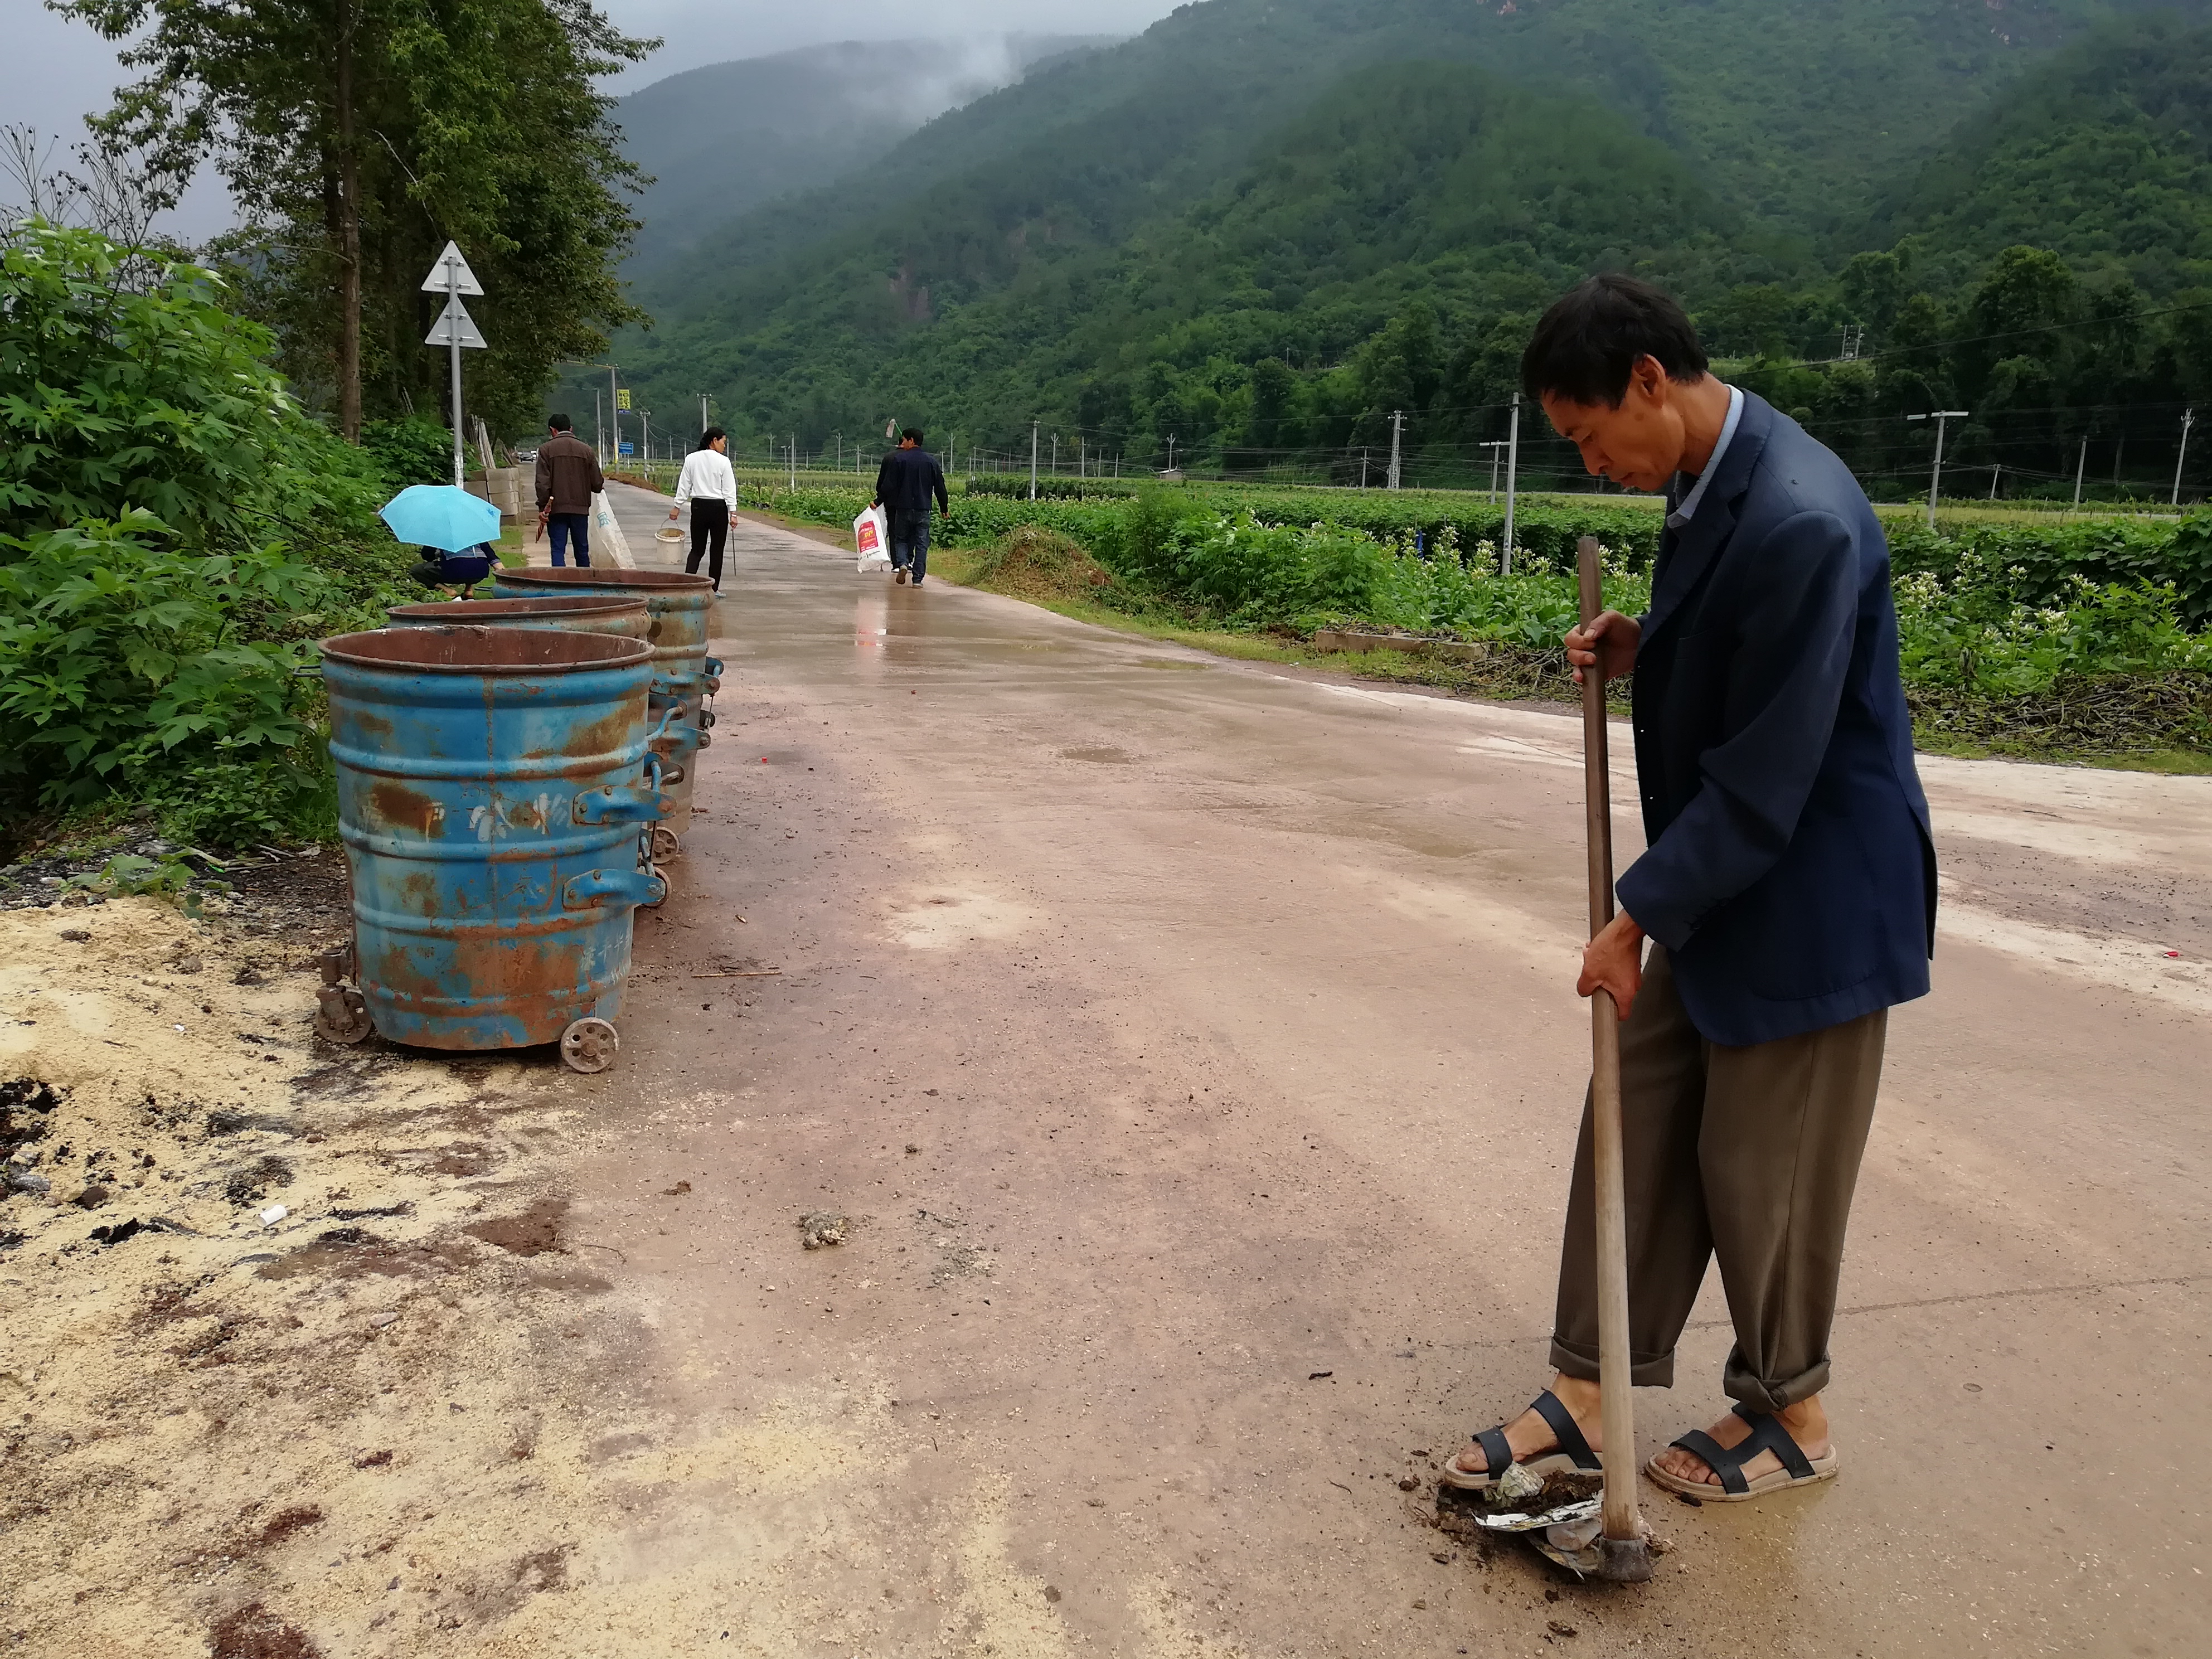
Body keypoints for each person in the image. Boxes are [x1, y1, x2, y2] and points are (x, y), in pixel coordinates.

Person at [1441, 274, 1936, 1505]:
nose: (1591, 460)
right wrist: (1645, 643)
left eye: (1587, 433)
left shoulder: (1802, 517)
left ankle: (1791, 1412)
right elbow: (1733, 642)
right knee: (1638, 1104)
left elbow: (1772, 772)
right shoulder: (1709, 476)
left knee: (1763, 1165)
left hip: (1811, 894)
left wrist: (1634, 916)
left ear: (1649, 382)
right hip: (1727, 876)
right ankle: (1592, 1380)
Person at [871, 427, 949, 586]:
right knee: (921, 544)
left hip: (903, 508)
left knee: (901, 539)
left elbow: (888, 485)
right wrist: (944, 508)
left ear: (912, 441)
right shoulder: (931, 462)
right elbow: (940, 487)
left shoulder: (900, 461)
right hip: (923, 509)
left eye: (905, 440)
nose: (903, 444)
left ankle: (902, 564)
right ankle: (918, 580)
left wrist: (878, 501)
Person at [668, 426, 738, 591]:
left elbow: (684, 485)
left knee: (697, 549)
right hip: (718, 508)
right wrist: (733, 513)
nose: (724, 446)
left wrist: (677, 506)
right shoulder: (723, 461)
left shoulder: (691, 459)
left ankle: (686, 585)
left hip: (699, 506)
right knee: (716, 550)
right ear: (714, 441)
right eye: (723, 442)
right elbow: (729, 489)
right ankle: (713, 590)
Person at [534, 413, 604, 567]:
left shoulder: (546, 450)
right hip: (580, 509)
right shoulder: (587, 450)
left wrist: (542, 508)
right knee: (582, 549)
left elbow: (542, 484)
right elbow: (597, 484)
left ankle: (561, 584)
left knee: (558, 549)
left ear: (553, 430)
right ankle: (584, 584)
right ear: (571, 429)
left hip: (556, 509)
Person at [408, 541, 495, 598]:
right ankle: (469, 590)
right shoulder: (473, 533)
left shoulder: (439, 534)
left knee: (416, 570)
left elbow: (427, 556)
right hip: (480, 573)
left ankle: (448, 590)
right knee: (471, 563)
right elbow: (491, 556)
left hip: (455, 572)